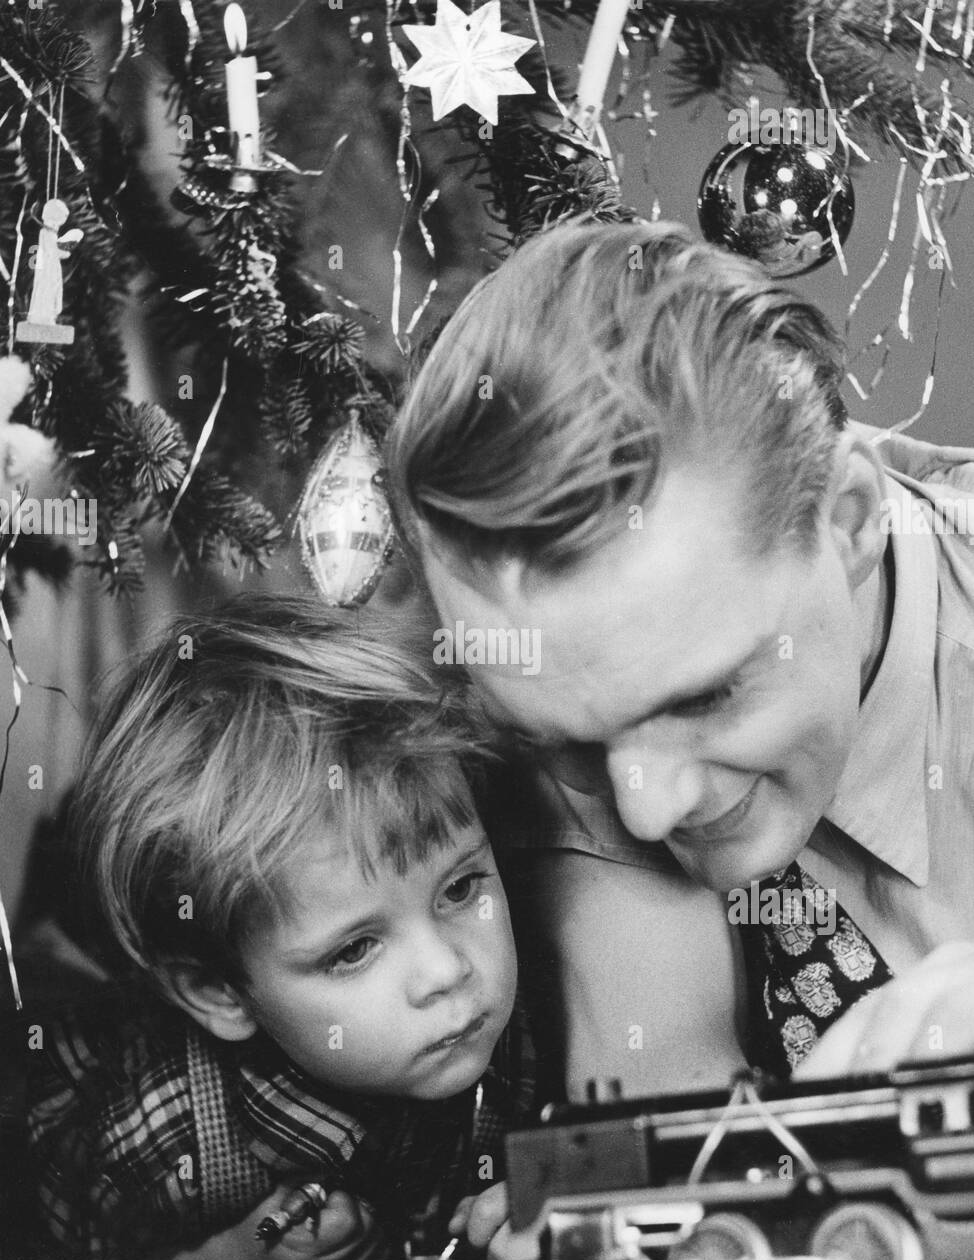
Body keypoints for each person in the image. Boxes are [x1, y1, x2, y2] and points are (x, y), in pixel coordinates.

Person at [387, 217, 974, 1096]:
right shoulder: (540, 686)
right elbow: (662, 1126)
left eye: (701, 700)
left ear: (849, 519)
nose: (646, 811)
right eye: (572, 745)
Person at [26, 595, 530, 1260]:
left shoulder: (518, 1037)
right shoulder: (162, 1133)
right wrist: (230, 1256)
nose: (447, 970)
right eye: (354, 949)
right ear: (219, 993)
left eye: (460, 889)